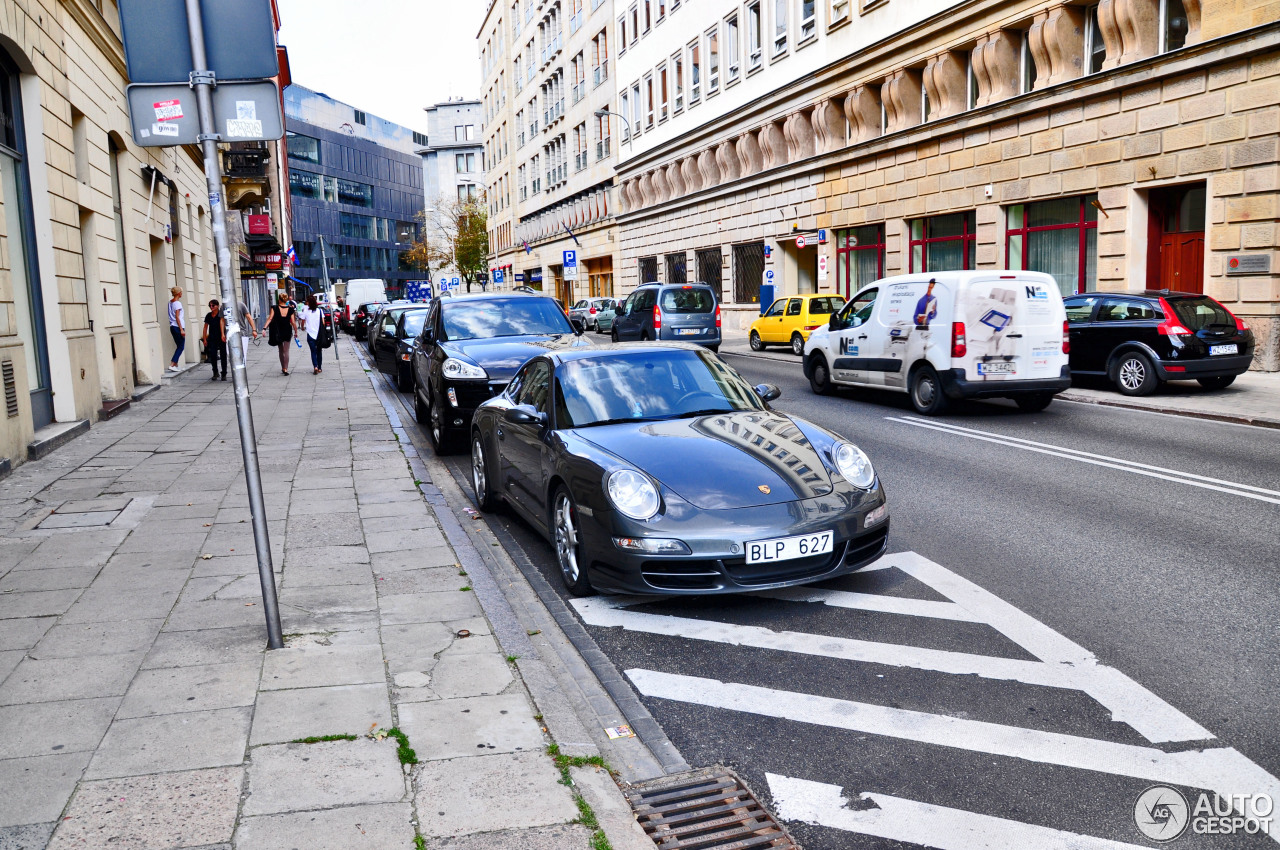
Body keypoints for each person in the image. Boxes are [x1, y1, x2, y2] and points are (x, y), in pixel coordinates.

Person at [265, 291, 296, 375]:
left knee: (281, 350)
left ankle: (283, 367)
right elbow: (293, 322)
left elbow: (270, 318)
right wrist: (296, 331)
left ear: (279, 299)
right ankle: (286, 368)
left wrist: (264, 328)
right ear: (286, 300)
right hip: (287, 331)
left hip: (278, 331)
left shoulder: (274, 308)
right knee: (286, 351)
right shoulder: (291, 309)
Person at [298, 294, 325, 375]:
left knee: (313, 351)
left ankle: (315, 366)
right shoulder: (320, 311)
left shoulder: (306, 312)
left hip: (310, 334)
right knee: (319, 351)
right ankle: (319, 368)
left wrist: (302, 327)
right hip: (319, 334)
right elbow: (323, 322)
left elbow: (303, 321)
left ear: (309, 303)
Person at [202, 299, 228, 381]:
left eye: (213, 305)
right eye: (210, 306)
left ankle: (224, 373)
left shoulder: (221, 315)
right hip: (212, 338)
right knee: (213, 355)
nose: (211, 307)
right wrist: (205, 339)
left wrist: (224, 335)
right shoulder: (209, 315)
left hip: (221, 337)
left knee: (223, 355)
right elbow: (205, 327)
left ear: (217, 306)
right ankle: (215, 372)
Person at [235, 297, 257, 366]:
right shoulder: (224, 306)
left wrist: (254, 330)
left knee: (243, 354)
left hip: (242, 333)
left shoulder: (241, 305)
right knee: (230, 354)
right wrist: (222, 334)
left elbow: (249, 317)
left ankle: (241, 371)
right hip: (229, 335)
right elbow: (222, 320)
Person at [167, 287, 185, 371]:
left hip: (172, 326)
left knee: (179, 346)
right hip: (178, 326)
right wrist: (181, 329)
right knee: (181, 346)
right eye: (181, 292)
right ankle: (172, 364)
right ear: (178, 293)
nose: (182, 293)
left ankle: (175, 365)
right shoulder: (177, 303)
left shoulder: (170, 302)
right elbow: (177, 317)